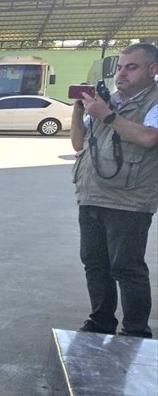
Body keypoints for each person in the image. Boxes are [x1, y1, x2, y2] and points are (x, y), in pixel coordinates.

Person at [70, 42, 158, 339]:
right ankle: (101, 322)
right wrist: (79, 110)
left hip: (130, 200)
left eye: (131, 67)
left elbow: (149, 138)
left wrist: (107, 114)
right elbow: (78, 143)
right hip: (91, 194)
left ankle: (135, 332)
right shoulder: (110, 100)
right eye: (119, 67)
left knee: (127, 268)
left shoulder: (154, 101)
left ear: (153, 70)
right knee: (95, 264)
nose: (122, 74)